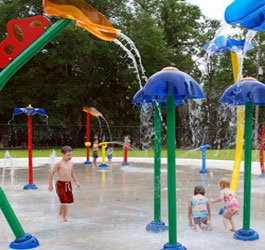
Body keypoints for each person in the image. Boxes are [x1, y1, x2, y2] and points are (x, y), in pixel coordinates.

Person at [48, 146, 80, 222]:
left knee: (67, 202)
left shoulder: (71, 163)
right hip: (60, 184)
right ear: (63, 154)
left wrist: (76, 182)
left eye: (71, 155)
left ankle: (62, 214)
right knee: (64, 201)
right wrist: (50, 184)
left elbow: (72, 173)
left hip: (68, 184)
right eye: (68, 155)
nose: (70, 157)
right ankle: (63, 216)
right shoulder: (59, 164)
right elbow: (52, 173)